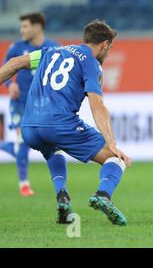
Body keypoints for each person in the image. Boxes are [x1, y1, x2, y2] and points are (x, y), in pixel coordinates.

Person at [0, 20, 131, 226]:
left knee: (52, 149)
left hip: (29, 128)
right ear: (105, 44)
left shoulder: (51, 51)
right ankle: (103, 195)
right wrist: (112, 142)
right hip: (60, 124)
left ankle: (62, 196)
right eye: (110, 47)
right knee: (115, 159)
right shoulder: (91, 62)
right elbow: (97, 104)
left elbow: (15, 63)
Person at [2, 12, 59, 196]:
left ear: (37, 27)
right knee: (22, 142)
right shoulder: (17, 47)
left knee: (27, 143)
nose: (22, 30)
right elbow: (5, 68)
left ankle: (6, 146)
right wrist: (11, 84)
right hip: (20, 102)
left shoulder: (53, 48)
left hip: (41, 106)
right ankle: (24, 184)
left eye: (25, 26)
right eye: (21, 26)